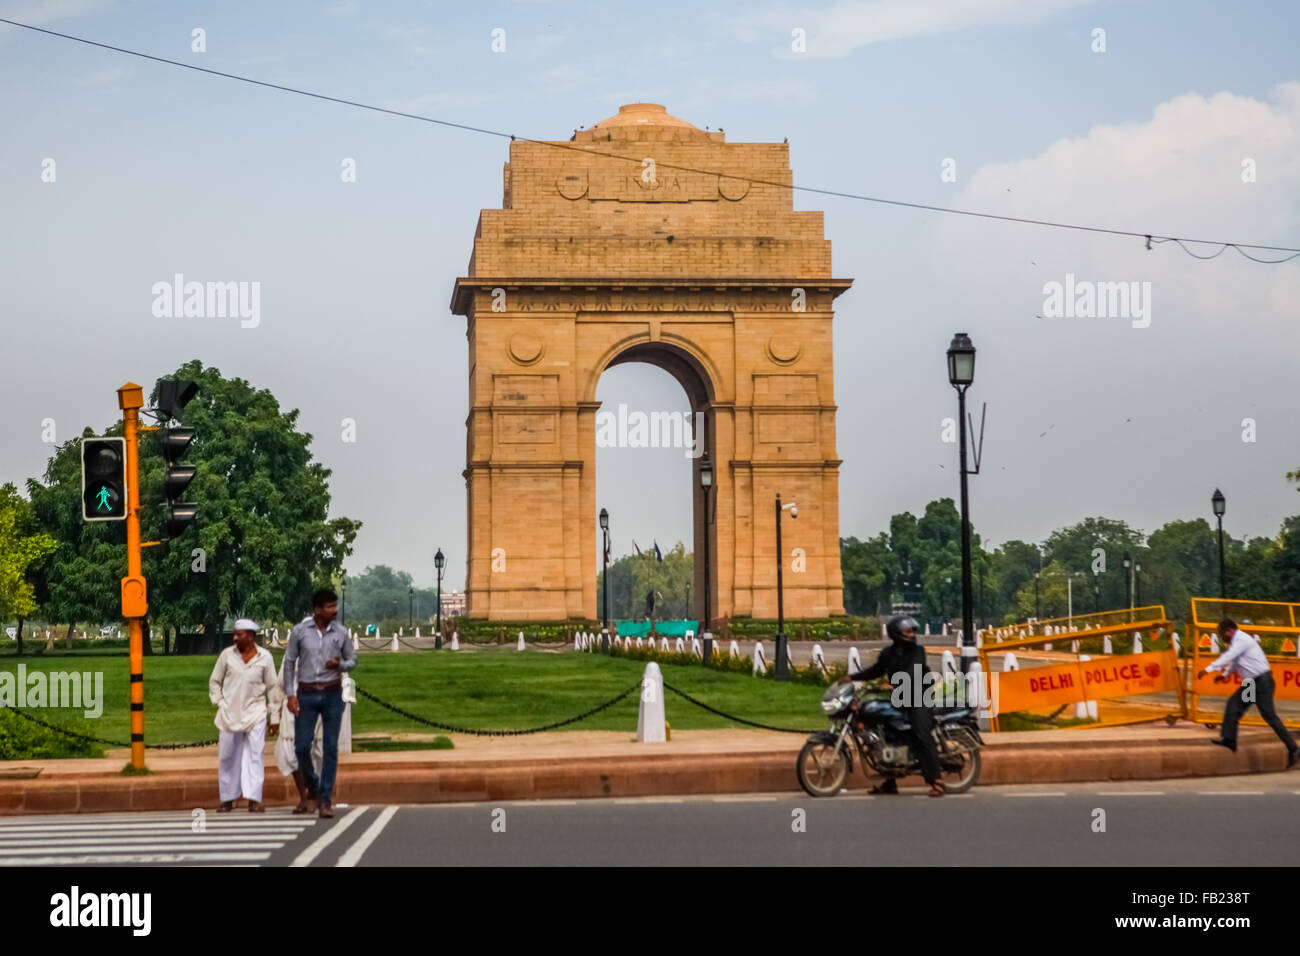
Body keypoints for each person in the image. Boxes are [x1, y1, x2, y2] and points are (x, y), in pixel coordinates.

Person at [850, 615, 945, 797]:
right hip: (899, 699)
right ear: (896, 633)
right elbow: (876, 670)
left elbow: (913, 670)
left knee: (921, 735)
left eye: (912, 631)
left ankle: (936, 780)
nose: (911, 634)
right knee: (888, 732)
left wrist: (897, 683)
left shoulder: (918, 651)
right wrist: (852, 677)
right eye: (907, 631)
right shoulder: (887, 653)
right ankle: (890, 782)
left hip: (919, 698)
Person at [283, 588, 356, 818]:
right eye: (329, 607)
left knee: (330, 749)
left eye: (335, 606)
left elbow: (352, 660)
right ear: (317, 609)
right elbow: (289, 663)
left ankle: (325, 800)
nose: (335, 610)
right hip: (306, 693)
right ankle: (313, 784)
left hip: (332, 694)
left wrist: (340, 666)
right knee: (301, 747)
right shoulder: (300, 632)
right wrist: (290, 695)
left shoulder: (341, 633)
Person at [1197, 618, 1300, 767]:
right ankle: (1230, 740)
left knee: (1269, 716)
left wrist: (1208, 670)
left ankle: (1294, 749)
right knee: (1234, 705)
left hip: (1262, 682)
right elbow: (1235, 662)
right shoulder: (1237, 642)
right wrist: (1224, 675)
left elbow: (1229, 656)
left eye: (1222, 634)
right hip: (1252, 684)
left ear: (1230, 631)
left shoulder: (1242, 640)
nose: (1221, 637)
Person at [209, 619, 281, 812]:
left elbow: (273, 688)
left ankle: (253, 798)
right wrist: (220, 702)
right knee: (227, 757)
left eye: (239, 634)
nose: (235, 637)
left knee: (254, 756)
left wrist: (274, 717)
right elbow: (215, 682)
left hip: (255, 713)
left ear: (250, 636)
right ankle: (227, 798)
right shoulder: (226, 656)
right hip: (229, 715)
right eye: (235, 634)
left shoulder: (265, 657)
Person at [275, 651, 354, 813]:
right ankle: (306, 797)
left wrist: (344, 699)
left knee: (321, 754)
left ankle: (321, 798)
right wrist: (274, 716)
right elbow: (281, 682)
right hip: (295, 707)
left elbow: (345, 678)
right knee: (292, 754)